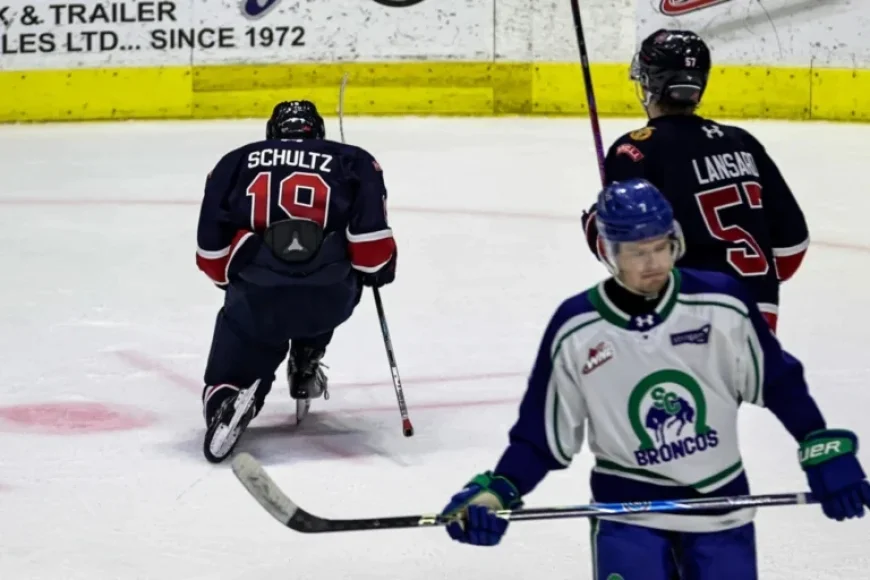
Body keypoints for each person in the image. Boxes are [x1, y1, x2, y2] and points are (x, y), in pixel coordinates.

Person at [441, 179, 870, 579]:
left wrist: (821, 446)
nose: (654, 263)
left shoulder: (721, 303)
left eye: (661, 247)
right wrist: (497, 491)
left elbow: (778, 380)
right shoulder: (577, 328)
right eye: (637, 252)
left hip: (722, 512)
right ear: (610, 252)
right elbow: (542, 436)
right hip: (629, 517)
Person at [195, 100, 397, 463]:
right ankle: (307, 355)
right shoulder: (355, 160)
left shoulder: (234, 161)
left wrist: (237, 283)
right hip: (329, 299)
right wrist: (381, 270)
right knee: (330, 276)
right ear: (317, 130)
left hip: (258, 296)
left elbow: (210, 256)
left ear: (272, 132)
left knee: (246, 329)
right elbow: (371, 251)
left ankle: (229, 396)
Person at [581, 29, 809, 332]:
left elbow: (626, 256)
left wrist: (595, 225)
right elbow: (792, 248)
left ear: (649, 83)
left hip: (688, 327)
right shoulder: (743, 143)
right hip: (758, 322)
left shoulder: (635, 152)